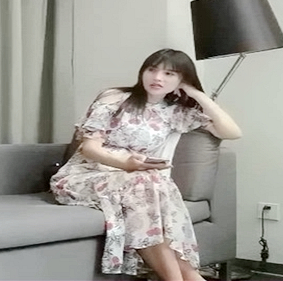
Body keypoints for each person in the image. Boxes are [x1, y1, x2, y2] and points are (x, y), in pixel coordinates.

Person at [50, 48, 242, 281]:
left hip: (135, 179)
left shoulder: (174, 113)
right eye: (152, 70)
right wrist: (125, 164)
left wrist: (195, 93)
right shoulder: (114, 99)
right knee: (148, 182)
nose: (157, 78)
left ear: (182, 80)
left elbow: (232, 132)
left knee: (152, 182)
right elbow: (89, 148)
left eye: (169, 74)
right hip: (85, 175)